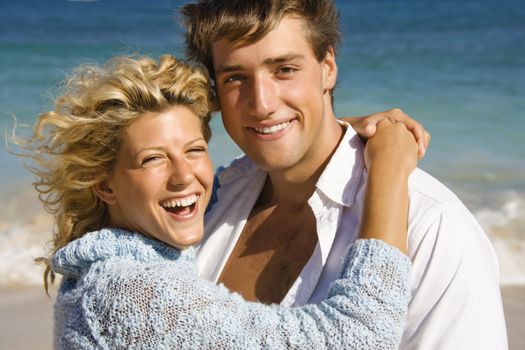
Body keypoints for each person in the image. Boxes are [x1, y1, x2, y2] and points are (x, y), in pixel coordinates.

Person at [14, 55, 420, 349]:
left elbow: (235, 175)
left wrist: (336, 130)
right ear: (105, 186)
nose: (183, 177)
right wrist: (388, 167)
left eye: (193, 150)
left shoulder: (123, 261)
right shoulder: (127, 290)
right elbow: (358, 337)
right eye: (152, 159)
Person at [181, 1, 508, 349]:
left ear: (328, 67)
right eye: (235, 78)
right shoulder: (212, 200)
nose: (261, 103)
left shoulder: (431, 226)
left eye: (285, 70)